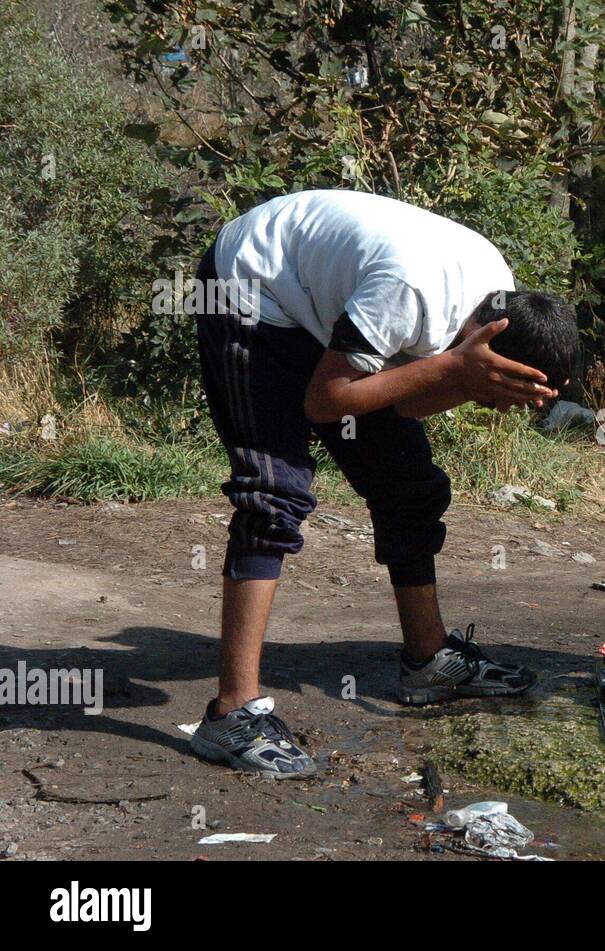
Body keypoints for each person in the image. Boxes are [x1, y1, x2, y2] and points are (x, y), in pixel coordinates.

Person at [190, 189, 578, 777]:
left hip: (331, 309)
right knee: (274, 493)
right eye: (501, 393)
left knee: (409, 485)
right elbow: (326, 401)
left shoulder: (496, 299)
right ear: (483, 343)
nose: (499, 411)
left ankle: (428, 659)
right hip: (253, 290)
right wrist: (452, 371)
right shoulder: (409, 294)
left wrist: (456, 375)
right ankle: (232, 712)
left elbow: (405, 410)